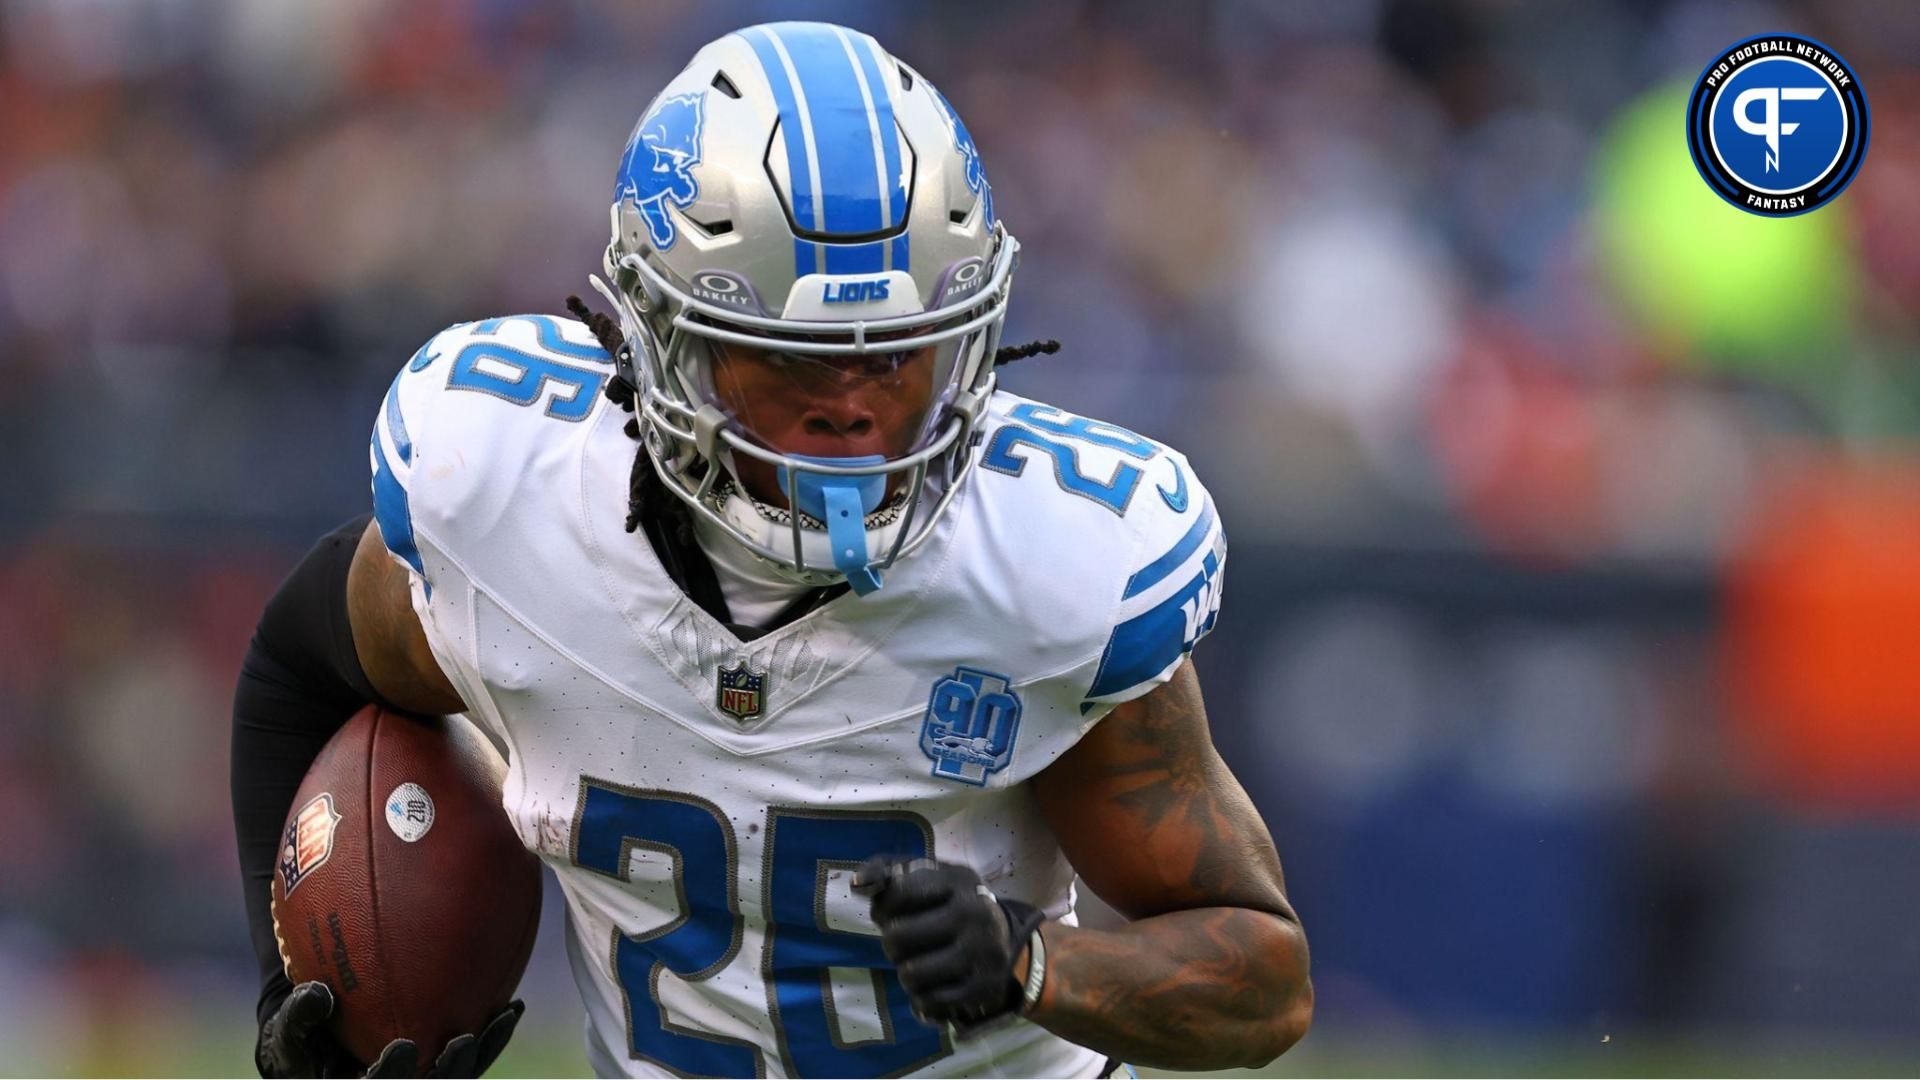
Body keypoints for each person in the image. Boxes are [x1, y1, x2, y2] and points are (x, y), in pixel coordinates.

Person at [231, 20, 1311, 1079]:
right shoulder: (507, 505)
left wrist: (1035, 964)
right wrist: (305, 996)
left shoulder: (1050, 572)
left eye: (895, 364)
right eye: (787, 369)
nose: (848, 416)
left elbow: (1266, 978)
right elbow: (297, 662)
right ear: (665, 344)